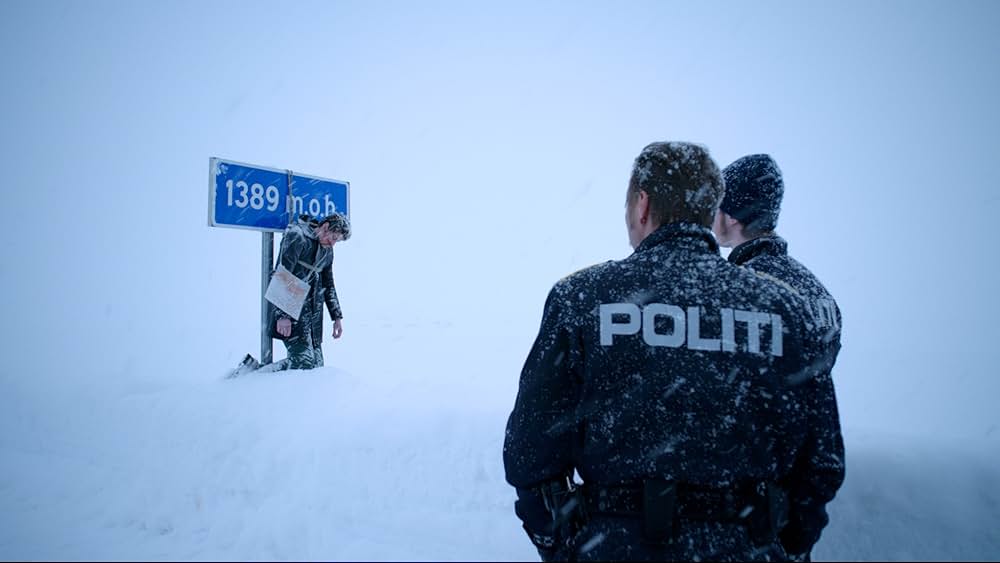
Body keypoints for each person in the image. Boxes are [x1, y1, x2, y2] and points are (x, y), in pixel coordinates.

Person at [503, 142, 834, 561]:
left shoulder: (583, 299)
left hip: (615, 547)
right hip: (745, 546)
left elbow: (531, 455)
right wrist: (775, 541)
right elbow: (820, 460)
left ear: (642, 204)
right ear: (708, 209)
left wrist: (568, 545)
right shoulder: (782, 310)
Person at [713, 153, 845, 561]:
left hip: (749, 510)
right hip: (797, 499)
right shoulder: (818, 291)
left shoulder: (744, 293)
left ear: (732, 216)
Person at [232, 212, 350, 376]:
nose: (333, 243)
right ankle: (253, 376)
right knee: (304, 363)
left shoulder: (327, 251)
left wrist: (336, 317)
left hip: (314, 315)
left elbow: (328, 284)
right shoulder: (298, 235)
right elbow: (282, 273)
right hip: (291, 309)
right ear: (325, 226)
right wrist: (282, 315)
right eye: (334, 237)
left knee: (317, 367)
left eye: (337, 240)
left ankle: (260, 376)